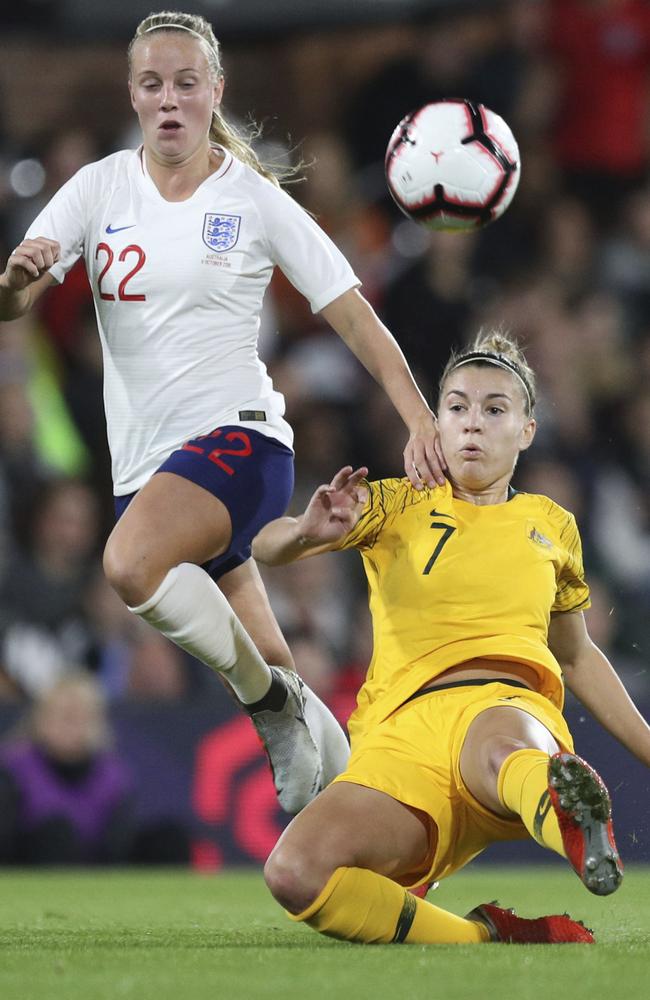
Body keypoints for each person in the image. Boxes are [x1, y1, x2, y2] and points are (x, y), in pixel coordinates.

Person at [0, 11, 445, 814]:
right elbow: (18, 296)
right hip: (149, 472)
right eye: (151, 84)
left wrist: (418, 419)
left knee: (128, 566)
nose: (168, 99)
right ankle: (389, 838)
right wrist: (16, 278)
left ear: (215, 92)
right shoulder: (99, 187)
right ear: (132, 94)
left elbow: (353, 315)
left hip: (240, 444)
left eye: (184, 83)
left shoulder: (252, 200)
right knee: (287, 674)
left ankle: (265, 711)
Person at [254, 330, 650, 944]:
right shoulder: (395, 502)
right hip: (398, 741)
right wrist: (306, 531)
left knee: (500, 744)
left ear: (527, 431)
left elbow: (576, 655)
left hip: (504, 704)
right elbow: (263, 547)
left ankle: (566, 808)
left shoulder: (550, 523)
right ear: (434, 422)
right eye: (458, 407)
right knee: (295, 873)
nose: (473, 423)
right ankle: (485, 937)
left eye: (495, 410)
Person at [0, 675, 134, 864]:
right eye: (63, 715)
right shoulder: (13, 768)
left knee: (167, 838)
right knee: (56, 833)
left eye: (80, 717)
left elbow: (116, 844)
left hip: (93, 867)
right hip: (29, 864)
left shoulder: (112, 774)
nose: (70, 725)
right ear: (40, 719)